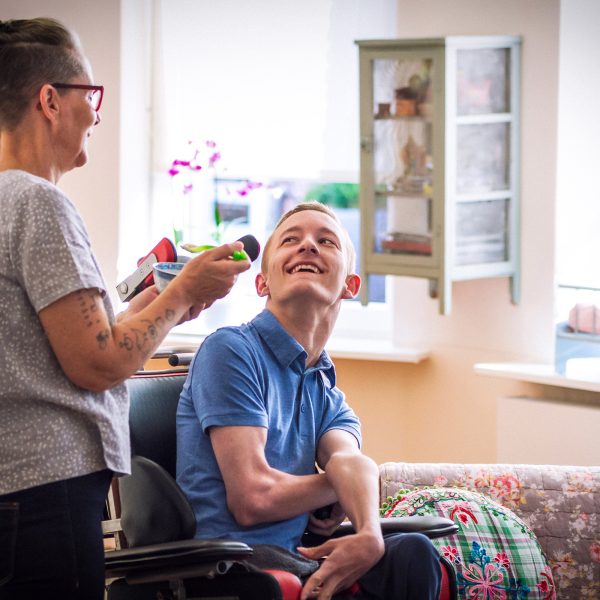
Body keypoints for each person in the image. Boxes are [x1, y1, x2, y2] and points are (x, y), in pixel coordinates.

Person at [0, 17, 250, 600]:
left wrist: (152, 303)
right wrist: (184, 290)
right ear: (50, 100)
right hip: (44, 495)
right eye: (91, 94)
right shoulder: (40, 204)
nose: (97, 112)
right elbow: (98, 360)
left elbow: (45, 339)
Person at [177, 201, 442, 599]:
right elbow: (252, 498)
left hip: (293, 556)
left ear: (350, 286)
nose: (307, 246)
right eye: (290, 239)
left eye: (325, 241)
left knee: (413, 554)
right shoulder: (230, 350)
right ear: (262, 282)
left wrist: (369, 534)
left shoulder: (325, 387)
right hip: (233, 566)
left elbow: (352, 462)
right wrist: (338, 486)